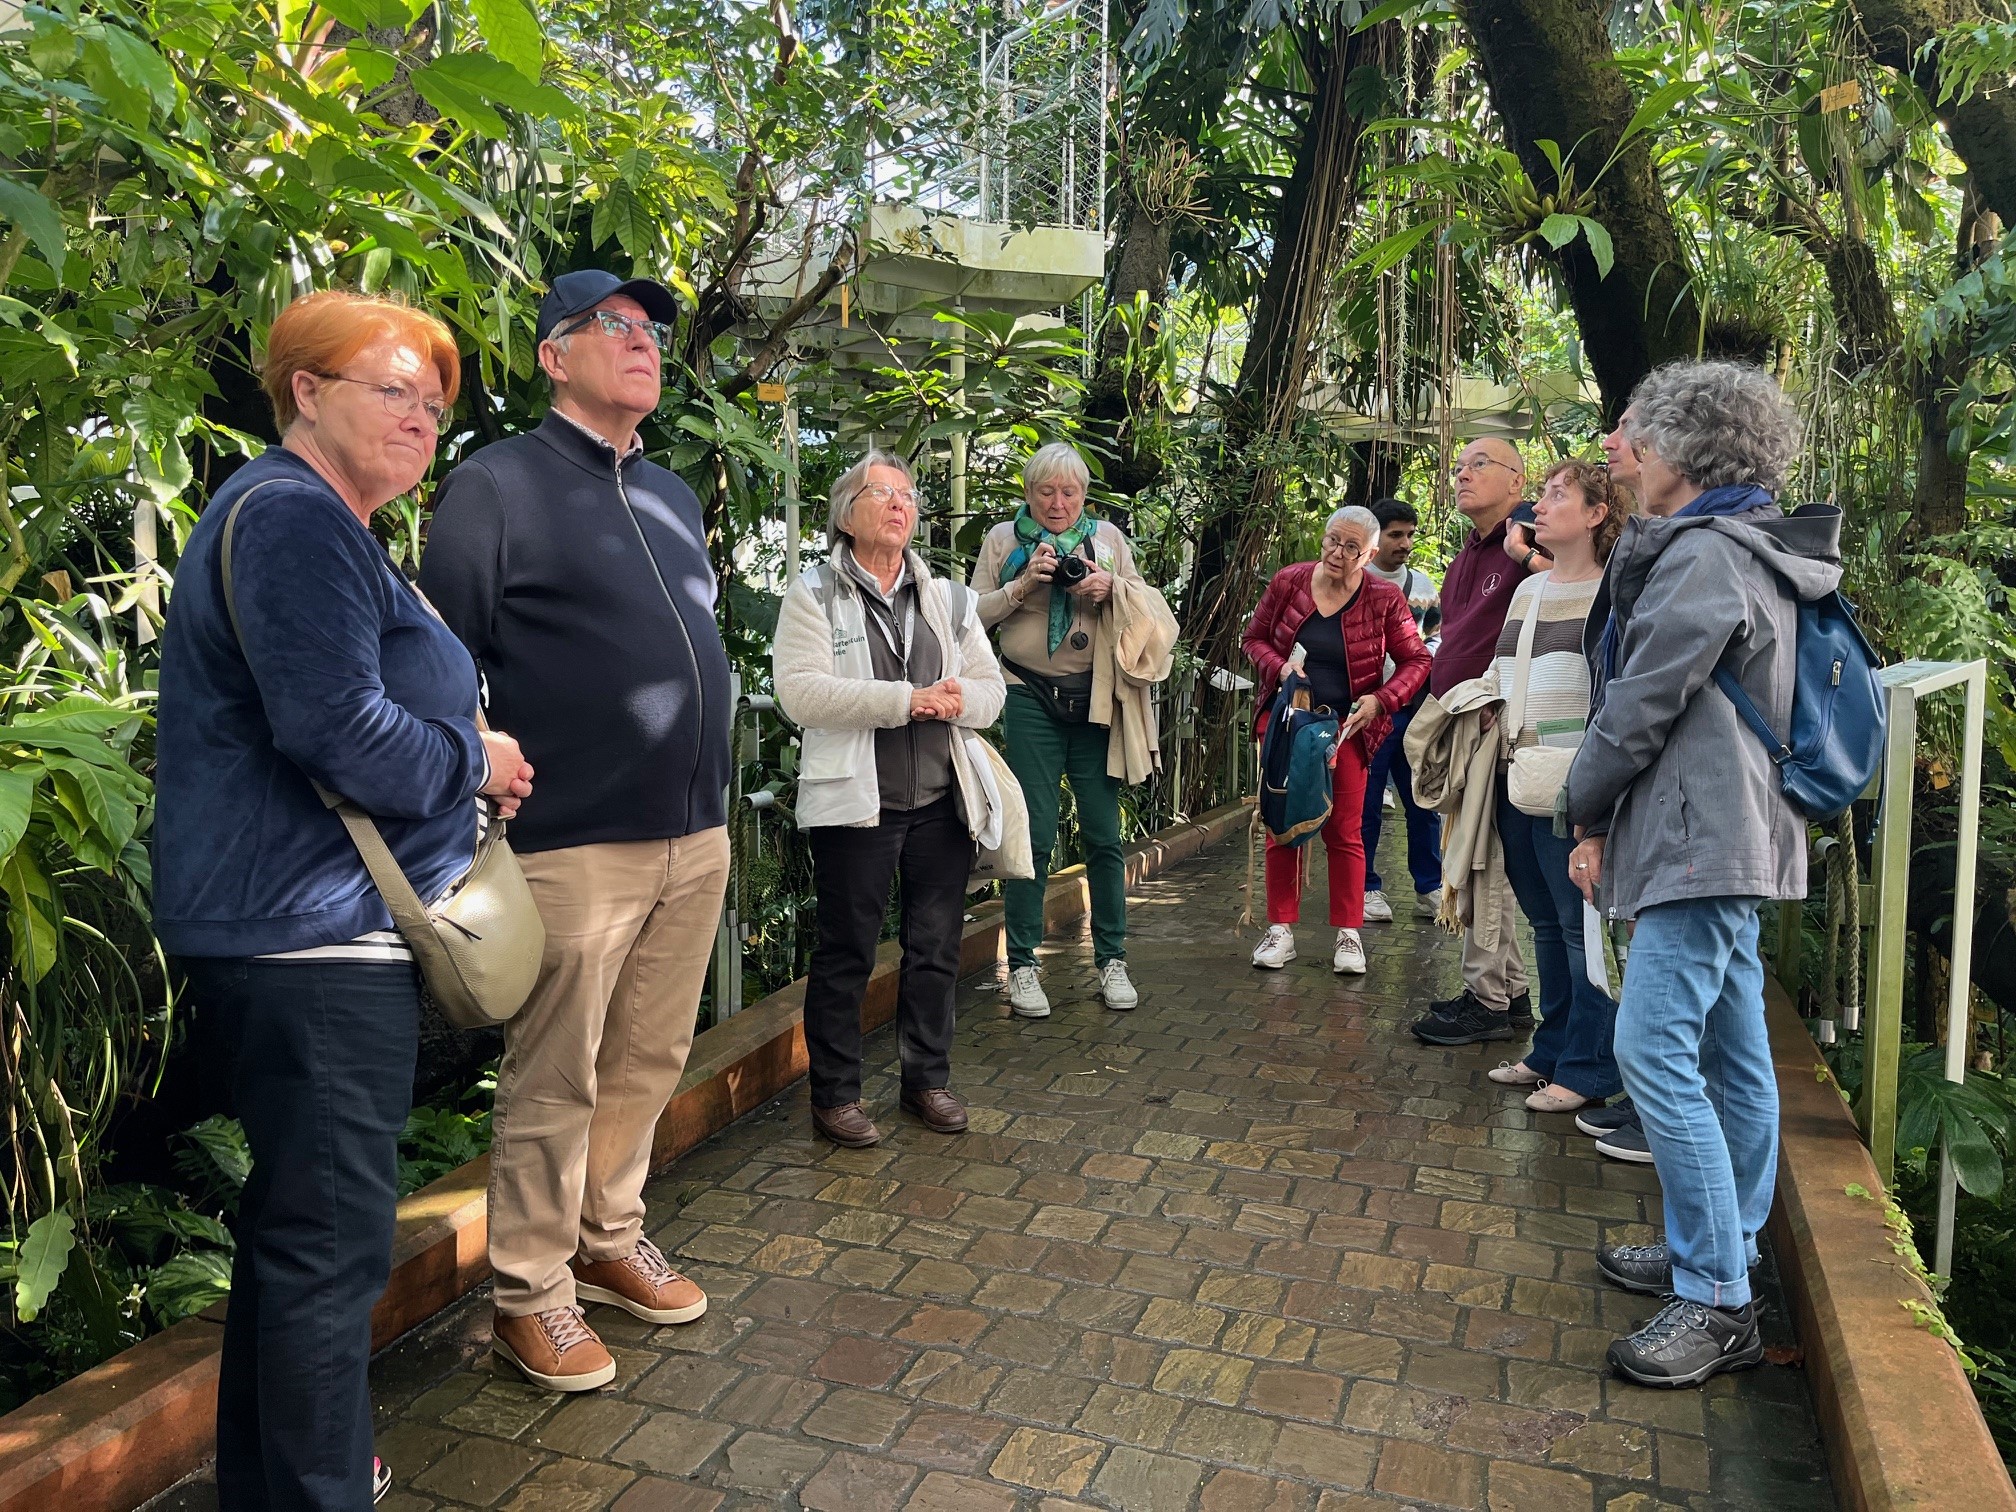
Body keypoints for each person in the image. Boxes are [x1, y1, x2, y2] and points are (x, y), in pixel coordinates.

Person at [156, 290, 535, 1509]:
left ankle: (274, 1489)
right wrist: (474, 761)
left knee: (297, 1248)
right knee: (329, 1255)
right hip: (311, 939)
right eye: (394, 392)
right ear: (304, 391)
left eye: (433, 406)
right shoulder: (293, 521)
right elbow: (334, 730)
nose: (421, 420)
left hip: (300, 933)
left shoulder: (321, 523)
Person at [421, 270, 729, 1393]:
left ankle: (608, 1236)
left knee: (649, 1053)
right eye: (618, 328)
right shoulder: (495, 484)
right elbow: (439, 660)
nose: (645, 344)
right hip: (570, 837)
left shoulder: (674, 494)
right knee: (556, 1074)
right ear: (556, 356)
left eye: (654, 332)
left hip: (694, 832)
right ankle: (532, 1294)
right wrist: (472, 787)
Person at [1563, 359, 1835, 1388]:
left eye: (1648, 434)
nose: (1630, 450)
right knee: (1732, 1054)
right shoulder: (1747, 545)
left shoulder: (1706, 556)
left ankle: (1719, 1297)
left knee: (1654, 1049)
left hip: (1701, 837)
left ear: (1688, 450)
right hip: (1730, 832)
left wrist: (1577, 800)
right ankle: (1718, 1249)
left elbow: (1640, 705)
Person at [772, 452, 1007, 1147]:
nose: (900, 505)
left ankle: (926, 1082)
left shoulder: (951, 597)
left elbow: (991, 692)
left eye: (908, 495)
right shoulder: (812, 593)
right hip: (856, 806)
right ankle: (836, 1095)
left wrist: (958, 699)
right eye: (883, 493)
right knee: (846, 951)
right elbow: (800, 691)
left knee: (935, 948)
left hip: (940, 801)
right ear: (847, 514)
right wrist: (908, 701)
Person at [972, 442, 1145, 1017]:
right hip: (1028, 695)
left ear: (1084, 496)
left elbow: (1144, 608)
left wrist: (1107, 589)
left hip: (1095, 700)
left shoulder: (1108, 541)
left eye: (1069, 491)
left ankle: (1112, 960)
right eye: (1045, 491)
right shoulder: (1002, 541)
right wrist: (1022, 586)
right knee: (1033, 832)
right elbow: (971, 616)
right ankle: (1022, 965)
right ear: (1028, 494)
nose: (1058, 502)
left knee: (1103, 832)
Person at [1481, 461, 1633, 1116]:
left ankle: (1589, 1068)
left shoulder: (1613, 596)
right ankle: (1552, 1049)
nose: (1538, 506)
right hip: (1519, 773)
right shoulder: (1529, 592)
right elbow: (1501, 669)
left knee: (1579, 929)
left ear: (1598, 513)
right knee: (1545, 920)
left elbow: (1613, 695)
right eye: (1541, 494)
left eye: (1556, 495)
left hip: (1574, 781)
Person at [1242, 506, 1432, 974]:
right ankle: (1281, 929)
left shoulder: (1384, 598)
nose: (1338, 554)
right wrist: (1280, 667)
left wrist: (1381, 701)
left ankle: (1349, 934)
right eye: (1332, 541)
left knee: (1345, 831)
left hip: (1348, 727)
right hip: (1288, 723)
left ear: (1368, 554)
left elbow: (1417, 660)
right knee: (1282, 823)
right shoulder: (1290, 581)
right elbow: (1255, 638)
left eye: (1351, 547)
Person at [1410, 437, 1539, 1045]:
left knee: (1481, 861)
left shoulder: (1531, 539)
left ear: (1517, 479)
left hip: (1500, 724)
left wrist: (1501, 706)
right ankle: (1511, 994)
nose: (1462, 474)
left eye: (1478, 465)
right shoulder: (1466, 555)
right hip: (1461, 720)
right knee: (1479, 856)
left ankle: (1487, 999)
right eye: (1457, 466)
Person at [1360, 497, 1443, 923]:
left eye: (1410, 534)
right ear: (1376, 537)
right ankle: (1365, 886)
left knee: (1422, 802)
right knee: (1366, 803)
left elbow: (1435, 641)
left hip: (1412, 709)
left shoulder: (1422, 585)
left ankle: (1430, 886)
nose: (1405, 543)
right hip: (1368, 712)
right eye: (1396, 534)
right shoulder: (1354, 581)